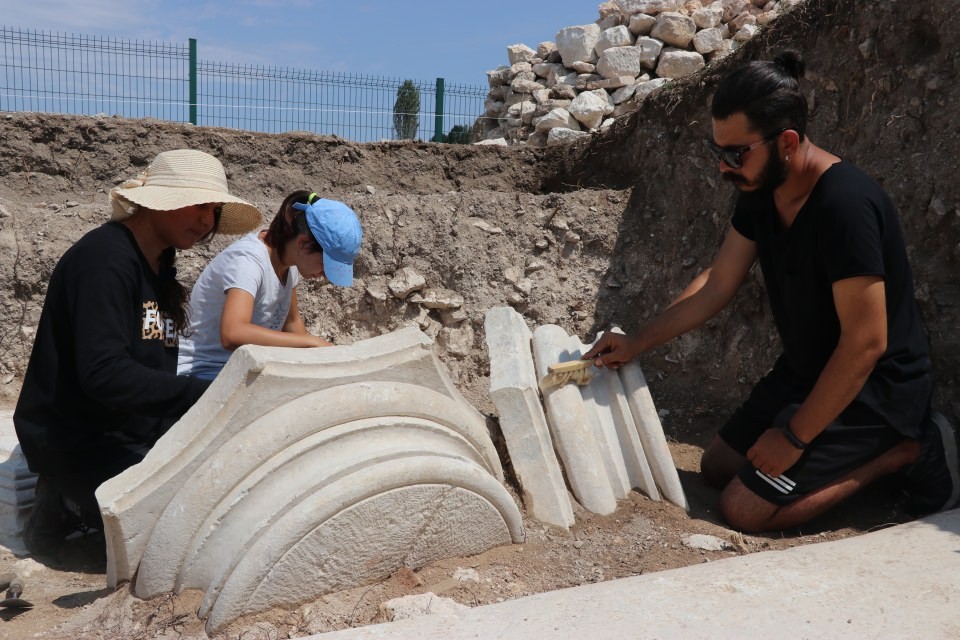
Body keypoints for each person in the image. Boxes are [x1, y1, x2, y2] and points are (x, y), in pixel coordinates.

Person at [584, 50, 959, 533]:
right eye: (716, 151)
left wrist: (796, 436)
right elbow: (718, 282)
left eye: (736, 153)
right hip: (809, 372)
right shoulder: (760, 191)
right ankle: (840, 455)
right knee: (718, 466)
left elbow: (867, 343)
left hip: (874, 388)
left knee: (744, 508)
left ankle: (907, 447)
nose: (723, 168)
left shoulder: (845, 204)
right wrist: (636, 342)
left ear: (786, 142)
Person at [14, 149, 263, 552]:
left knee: (236, 484)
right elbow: (105, 375)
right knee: (183, 530)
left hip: (135, 429)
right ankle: (64, 501)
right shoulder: (104, 260)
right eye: (199, 204)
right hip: (79, 441)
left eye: (214, 210)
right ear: (160, 202)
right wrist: (203, 394)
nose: (206, 221)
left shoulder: (160, 264)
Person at [177, 191, 362, 380]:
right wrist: (310, 343)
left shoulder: (289, 265)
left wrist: (321, 358)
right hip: (202, 374)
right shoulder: (249, 262)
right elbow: (233, 333)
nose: (325, 275)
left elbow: (291, 323)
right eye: (326, 265)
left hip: (239, 371)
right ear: (303, 244)